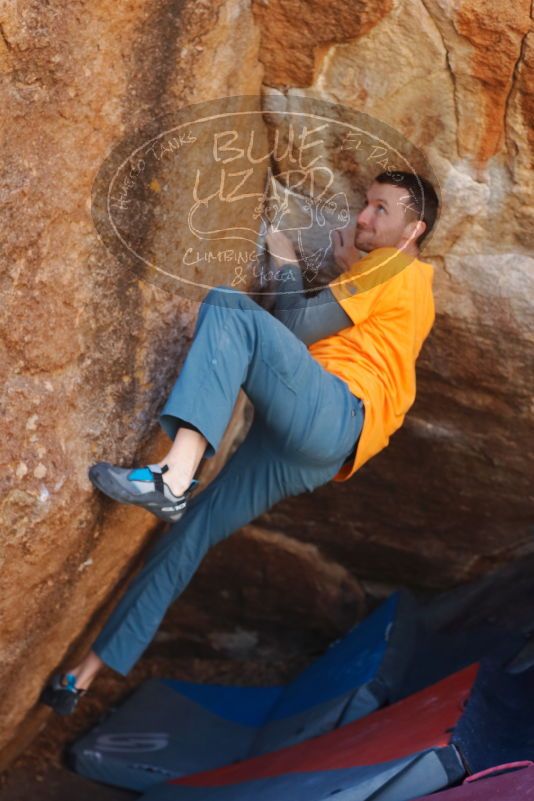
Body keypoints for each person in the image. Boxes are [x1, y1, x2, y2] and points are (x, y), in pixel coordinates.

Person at [41, 171, 439, 715]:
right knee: (190, 537)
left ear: (413, 230)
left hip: (331, 413)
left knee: (229, 306)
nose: (363, 218)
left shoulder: (396, 267)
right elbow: (325, 335)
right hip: (316, 449)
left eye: (381, 210)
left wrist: (283, 258)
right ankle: (81, 678)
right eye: (364, 205)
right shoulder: (394, 280)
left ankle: (173, 476)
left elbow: (294, 327)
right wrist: (347, 270)